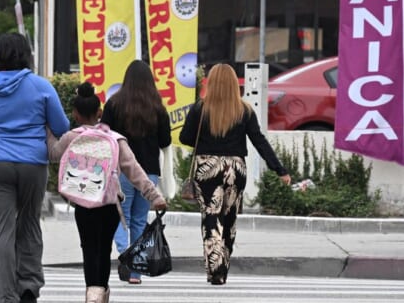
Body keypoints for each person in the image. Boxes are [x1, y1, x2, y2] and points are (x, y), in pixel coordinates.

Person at [0, 33, 70, 303]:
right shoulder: (41, 86)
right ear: (26, 55)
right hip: (33, 163)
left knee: (0, 231)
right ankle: (29, 284)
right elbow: (62, 127)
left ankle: (6, 296)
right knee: (29, 222)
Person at [48, 82, 167, 303]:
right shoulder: (115, 139)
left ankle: (92, 294)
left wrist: (46, 129)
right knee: (103, 250)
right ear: (100, 113)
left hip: (83, 205)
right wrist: (154, 196)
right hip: (110, 204)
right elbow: (134, 170)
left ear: (74, 114)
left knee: (89, 250)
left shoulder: (71, 137)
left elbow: (54, 154)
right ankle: (101, 292)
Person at [179, 63, 292, 285]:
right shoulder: (245, 111)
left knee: (211, 217)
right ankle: (224, 266)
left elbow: (184, 138)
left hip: (207, 168)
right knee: (229, 219)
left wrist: (204, 142)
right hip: (236, 168)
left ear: (210, 83)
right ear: (233, 84)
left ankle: (215, 269)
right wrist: (280, 169)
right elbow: (259, 141)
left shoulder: (200, 109)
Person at [100, 60, 172, 285]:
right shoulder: (157, 107)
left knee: (121, 217)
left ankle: (125, 255)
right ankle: (135, 273)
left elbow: (104, 134)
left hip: (121, 170)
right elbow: (165, 141)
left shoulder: (114, 104)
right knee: (140, 219)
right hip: (148, 171)